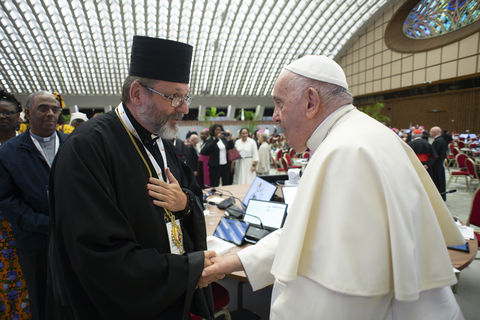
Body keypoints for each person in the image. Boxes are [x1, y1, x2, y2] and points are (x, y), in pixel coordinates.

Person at [202, 55, 465, 319]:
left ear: (310, 101)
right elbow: (304, 235)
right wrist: (234, 262)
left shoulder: (348, 153)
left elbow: (343, 293)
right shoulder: (351, 138)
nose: (276, 118)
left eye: (279, 103)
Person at [47, 36, 217, 319]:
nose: (185, 108)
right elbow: (98, 255)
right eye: (174, 97)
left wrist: (184, 203)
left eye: (185, 97)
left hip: (170, 296)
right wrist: (186, 270)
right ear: (137, 94)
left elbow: (193, 194)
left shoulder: (163, 141)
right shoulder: (87, 148)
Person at [0, 91, 68, 320]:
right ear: (28, 113)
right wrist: (47, 225)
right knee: (40, 299)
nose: (50, 113)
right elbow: (6, 201)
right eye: (42, 108)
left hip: (73, 238)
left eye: (54, 109)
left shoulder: (75, 145)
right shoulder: (8, 153)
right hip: (34, 241)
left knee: (74, 295)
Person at [0, 90, 31, 318]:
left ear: (19, 116)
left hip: (27, 224)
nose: (2, 117)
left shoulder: (30, 144)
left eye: (7, 112)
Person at [430, 126, 448, 201]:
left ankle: (438, 198)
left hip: (436, 165)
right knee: (440, 181)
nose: (430, 133)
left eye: (431, 131)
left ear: (435, 132)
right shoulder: (441, 140)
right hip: (439, 164)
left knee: (438, 182)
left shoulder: (438, 141)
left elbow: (434, 154)